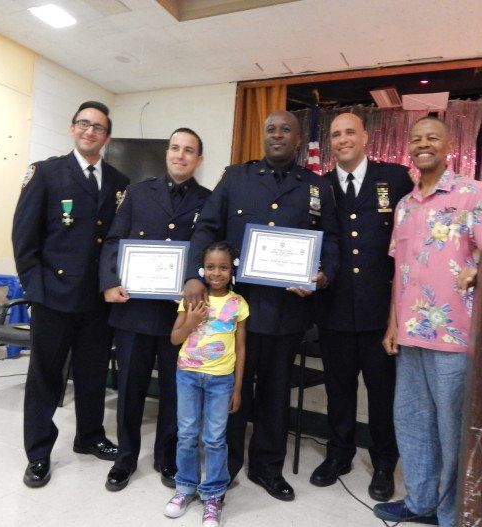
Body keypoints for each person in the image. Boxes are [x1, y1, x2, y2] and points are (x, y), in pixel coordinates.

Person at [183, 110, 339, 501]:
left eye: (286, 129)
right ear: (263, 135)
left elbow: (331, 241)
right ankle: (227, 465)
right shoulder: (236, 178)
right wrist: (193, 274)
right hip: (234, 314)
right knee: (230, 392)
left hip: (287, 313)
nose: (278, 135)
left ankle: (267, 469)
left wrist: (321, 275)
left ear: (299, 138)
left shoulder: (316, 186)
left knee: (274, 394)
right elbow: (206, 227)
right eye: (271, 129)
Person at [374, 116, 482, 527]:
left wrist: (479, 271)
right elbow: (401, 270)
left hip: (456, 335)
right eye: (416, 139)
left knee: (452, 430)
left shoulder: (473, 194)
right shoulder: (405, 204)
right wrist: (393, 324)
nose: (422, 144)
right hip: (410, 335)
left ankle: (450, 514)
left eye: (432, 138)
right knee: (411, 422)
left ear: (448, 147)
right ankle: (420, 502)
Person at [12, 101, 129, 488]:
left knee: (93, 374)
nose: (90, 132)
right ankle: (39, 452)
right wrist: (35, 288)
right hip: (54, 297)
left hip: (97, 300)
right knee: (45, 376)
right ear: (72, 128)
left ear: (106, 136)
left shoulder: (117, 181)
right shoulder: (46, 172)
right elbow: (24, 237)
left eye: (98, 127)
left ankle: (90, 436)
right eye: (84, 124)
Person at [99, 128, 211, 491]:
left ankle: (167, 458)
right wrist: (109, 282)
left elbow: (210, 253)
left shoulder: (209, 200)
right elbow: (114, 240)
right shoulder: (136, 192)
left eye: (189, 150)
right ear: (168, 153)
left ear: (199, 159)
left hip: (180, 315)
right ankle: (125, 458)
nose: (180, 155)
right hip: (134, 310)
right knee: (130, 389)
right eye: (175, 148)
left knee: (175, 393)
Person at [311, 113, 413, 501]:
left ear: (366, 137)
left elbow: (406, 241)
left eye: (349, 132)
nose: (342, 139)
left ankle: (385, 461)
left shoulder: (396, 178)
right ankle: (340, 453)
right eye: (335, 134)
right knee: (338, 388)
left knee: (382, 391)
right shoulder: (318, 186)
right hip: (334, 307)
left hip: (378, 310)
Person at [164, 241, 248, 527]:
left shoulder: (238, 304)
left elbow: (241, 348)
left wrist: (237, 388)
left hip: (221, 380)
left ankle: (213, 495)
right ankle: (185, 487)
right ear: (202, 269)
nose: (216, 273)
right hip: (187, 375)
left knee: (214, 438)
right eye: (210, 267)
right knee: (187, 433)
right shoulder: (191, 298)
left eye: (223, 267)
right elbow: (176, 338)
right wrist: (192, 321)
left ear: (232, 269)